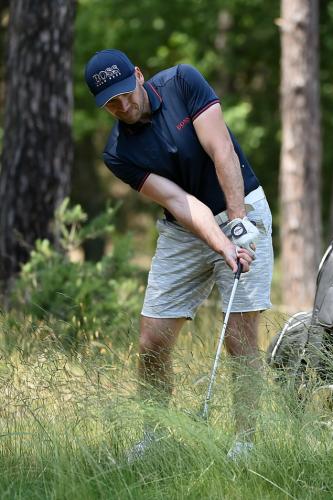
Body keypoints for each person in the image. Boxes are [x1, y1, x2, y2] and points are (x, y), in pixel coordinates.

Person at [84, 49, 273, 462]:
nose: (123, 106)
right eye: (111, 103)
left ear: (138, 74)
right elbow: (179, 202)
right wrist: (222, 245)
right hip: (183, 229)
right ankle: (155, 437)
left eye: (125, 93)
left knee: (240, 337)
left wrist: (237, 225)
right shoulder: (117, 153)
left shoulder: (183, 82)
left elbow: (222, 151)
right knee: (151, 340)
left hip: (241, 206)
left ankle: (245, 444)